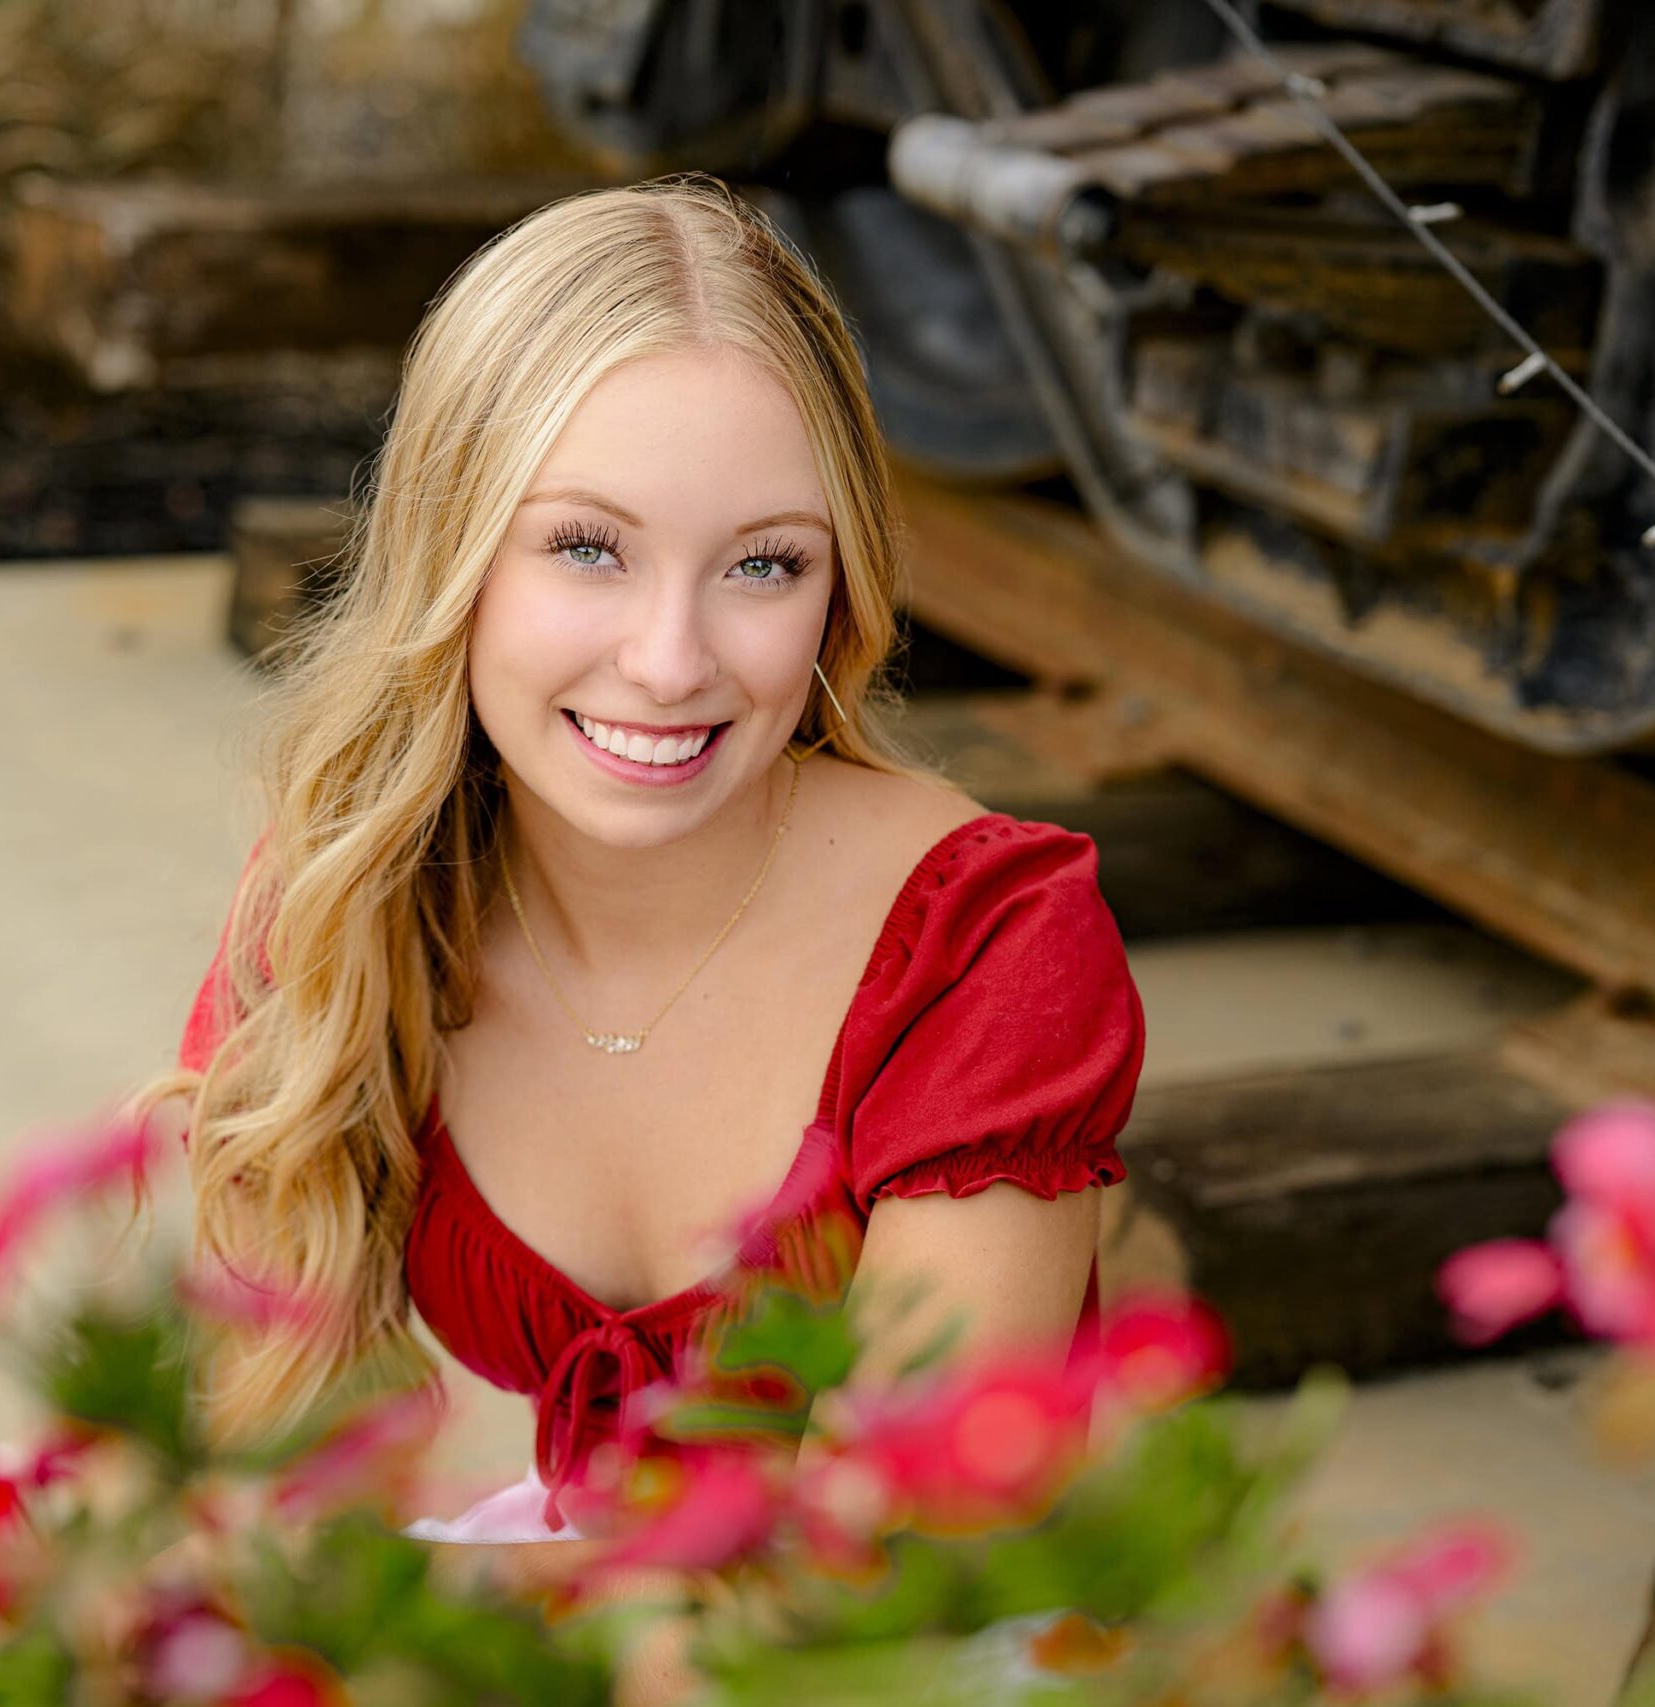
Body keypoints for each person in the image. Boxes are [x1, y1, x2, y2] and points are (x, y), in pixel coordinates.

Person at [122, 171, 1146, 1698]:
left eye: (762, 564)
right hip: (580, 1611)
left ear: (840, 588)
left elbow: (886, 1569)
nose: (670, 663)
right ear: (450, 554)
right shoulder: (347, 902)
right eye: (587, 548)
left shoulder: (988, 941)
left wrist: (404, 1604)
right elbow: (262, 1464)